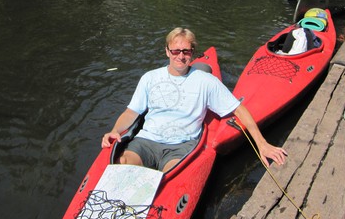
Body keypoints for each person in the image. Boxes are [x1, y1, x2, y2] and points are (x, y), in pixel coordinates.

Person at [101, 27, 288, 172]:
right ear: (167, 51)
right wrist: (115, 130)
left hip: (181, 146)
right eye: (175, 51)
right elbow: (131, 112)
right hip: (146, 142)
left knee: (170, 174)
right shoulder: (149, 78)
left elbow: (239, 109)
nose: (180, 56)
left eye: (186, 51)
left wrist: (262, 144)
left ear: (192, 52)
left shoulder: (206, 82)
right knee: (122, 165)